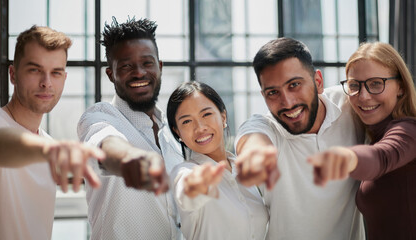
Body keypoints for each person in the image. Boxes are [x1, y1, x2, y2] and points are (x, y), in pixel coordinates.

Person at [234, 37, 366, 239]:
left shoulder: (352, 105)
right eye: (273, 92)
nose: (287, 102)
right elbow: (252, 138)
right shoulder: (266, 127)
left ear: (318, 82)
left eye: (294, 84)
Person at [0, 25, 105, 240]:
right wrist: (50, 150)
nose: (46, 83)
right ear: (13, 74)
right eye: (35, 70)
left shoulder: (48, 142)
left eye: (56, 73)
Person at [77, 17, 183, 239]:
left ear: (159, 67)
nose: (139, 73)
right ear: (110, 74)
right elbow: (106, 146)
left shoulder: (172, 132)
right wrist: (131, 161)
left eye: (147, 63)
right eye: (126, 66)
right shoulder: (100, 116)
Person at [308, 42, 416, 239]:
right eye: (355, 85)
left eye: (376, 83)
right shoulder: (371, 134)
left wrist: (348, 157)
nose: (364, 96)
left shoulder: (409, 130)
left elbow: (382, 156)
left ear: (400, 87)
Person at [167, 81, 269, 240]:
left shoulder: (242, 170)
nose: (200, 128)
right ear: (177, 132)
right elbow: (186, 194)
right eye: (187, 121)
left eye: (206, 114)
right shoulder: (185, 172)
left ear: (223, 116)